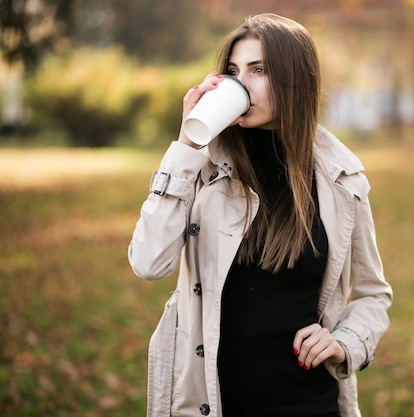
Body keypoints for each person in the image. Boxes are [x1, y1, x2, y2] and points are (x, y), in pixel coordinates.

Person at [128, 13, 392, 417]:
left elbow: (374, 294)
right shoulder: (202, 166)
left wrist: (344, 341)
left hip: (310, 403)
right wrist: (185, 146)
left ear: (294, 81)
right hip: (212, 404)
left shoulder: (342, 179)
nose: (240, 82)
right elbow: (148, 263)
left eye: (258, 70)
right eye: (233, 71)